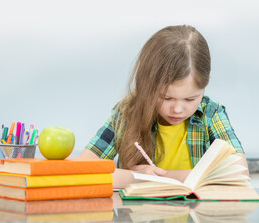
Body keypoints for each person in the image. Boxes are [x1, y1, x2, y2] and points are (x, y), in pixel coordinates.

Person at [79, 25, 249, 189]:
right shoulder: (127, 113)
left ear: (206, 82)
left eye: (190, 99)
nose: (177, 109)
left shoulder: (210, 113)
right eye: (165, 97)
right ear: (147, 85)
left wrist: (154, 178)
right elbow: (83, 171)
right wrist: (134, 178)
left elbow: (238, 172)